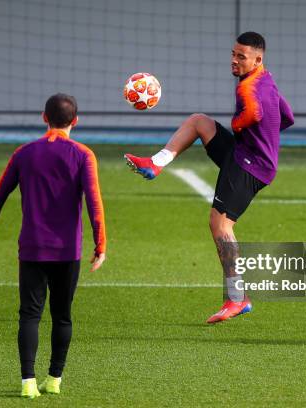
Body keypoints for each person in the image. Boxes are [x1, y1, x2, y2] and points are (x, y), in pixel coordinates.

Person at [124, 32, 294, 324]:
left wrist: (239, 126)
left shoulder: (247, 88)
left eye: (241, 56)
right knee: (200, 122)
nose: (234, 60)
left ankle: (237, 298)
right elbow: (287, 115)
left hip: (250, 164)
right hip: (248, 155)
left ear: (258, 59)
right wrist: (263, 138)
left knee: (220, 223)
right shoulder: (267, 79)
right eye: (233, 54)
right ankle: (156, 163)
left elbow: (253, 113)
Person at [0, 93, 106, 398]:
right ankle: (54, 379)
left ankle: (27, 383)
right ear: (76, 121)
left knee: (29, 315)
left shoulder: (24, 153)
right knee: (63, 315)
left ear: (44, 118)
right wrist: (100, 245)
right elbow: (94, 203)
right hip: (68, 251)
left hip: (32, 249)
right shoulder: (83, 155)